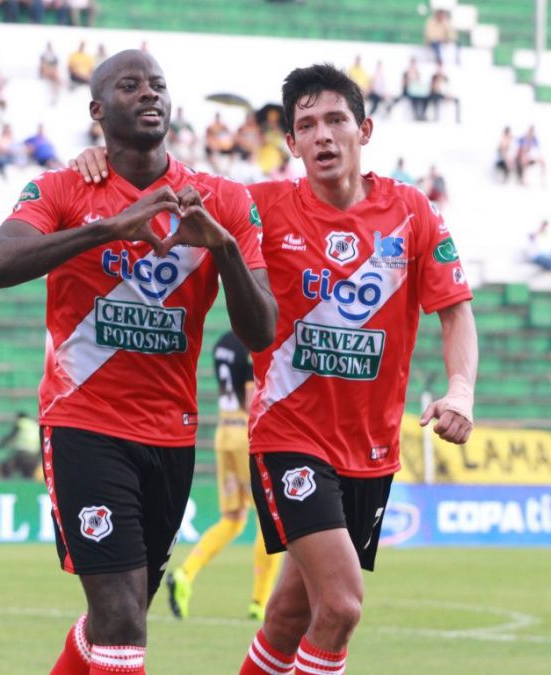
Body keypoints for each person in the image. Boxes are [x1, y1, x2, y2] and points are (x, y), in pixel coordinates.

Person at [68, 63, 477, 675]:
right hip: (289, 436)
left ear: (364, 130)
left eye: (336, 120)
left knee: (288, 617)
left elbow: (455, 309)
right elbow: (161, 183)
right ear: (291, 143)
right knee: (340, 606)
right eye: (306, 126)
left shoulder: (413, 212)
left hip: (370, 448)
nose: (322, 135)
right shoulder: (258, 207)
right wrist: (100, 161)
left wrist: (461, 389)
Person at [0, 49, 276, 675]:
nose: (148, 94)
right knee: (120, 618)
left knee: (121, 614)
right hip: (83, 423)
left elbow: (263, 330)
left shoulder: (221, 199)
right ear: (97, 109)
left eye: (158, 85)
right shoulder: (63, 188)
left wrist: (222, 248)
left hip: (171, 434)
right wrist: (110, 229)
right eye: (130, 85)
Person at [166, 330, 281, 621]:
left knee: (233, 519)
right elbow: (251, 395)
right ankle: (260, 601)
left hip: (224, 431)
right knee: (270, 518)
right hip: (245, 436)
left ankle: (185, 573)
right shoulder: (253, 340)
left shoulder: (222, 344)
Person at [0, 412, 42, 478]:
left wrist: (0, 445)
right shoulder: (35, 425)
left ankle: (5, 481)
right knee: (28, 474)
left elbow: (12, 435)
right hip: (34, 455)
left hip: (21, 453)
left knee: (6, 467)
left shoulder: (21, 423)